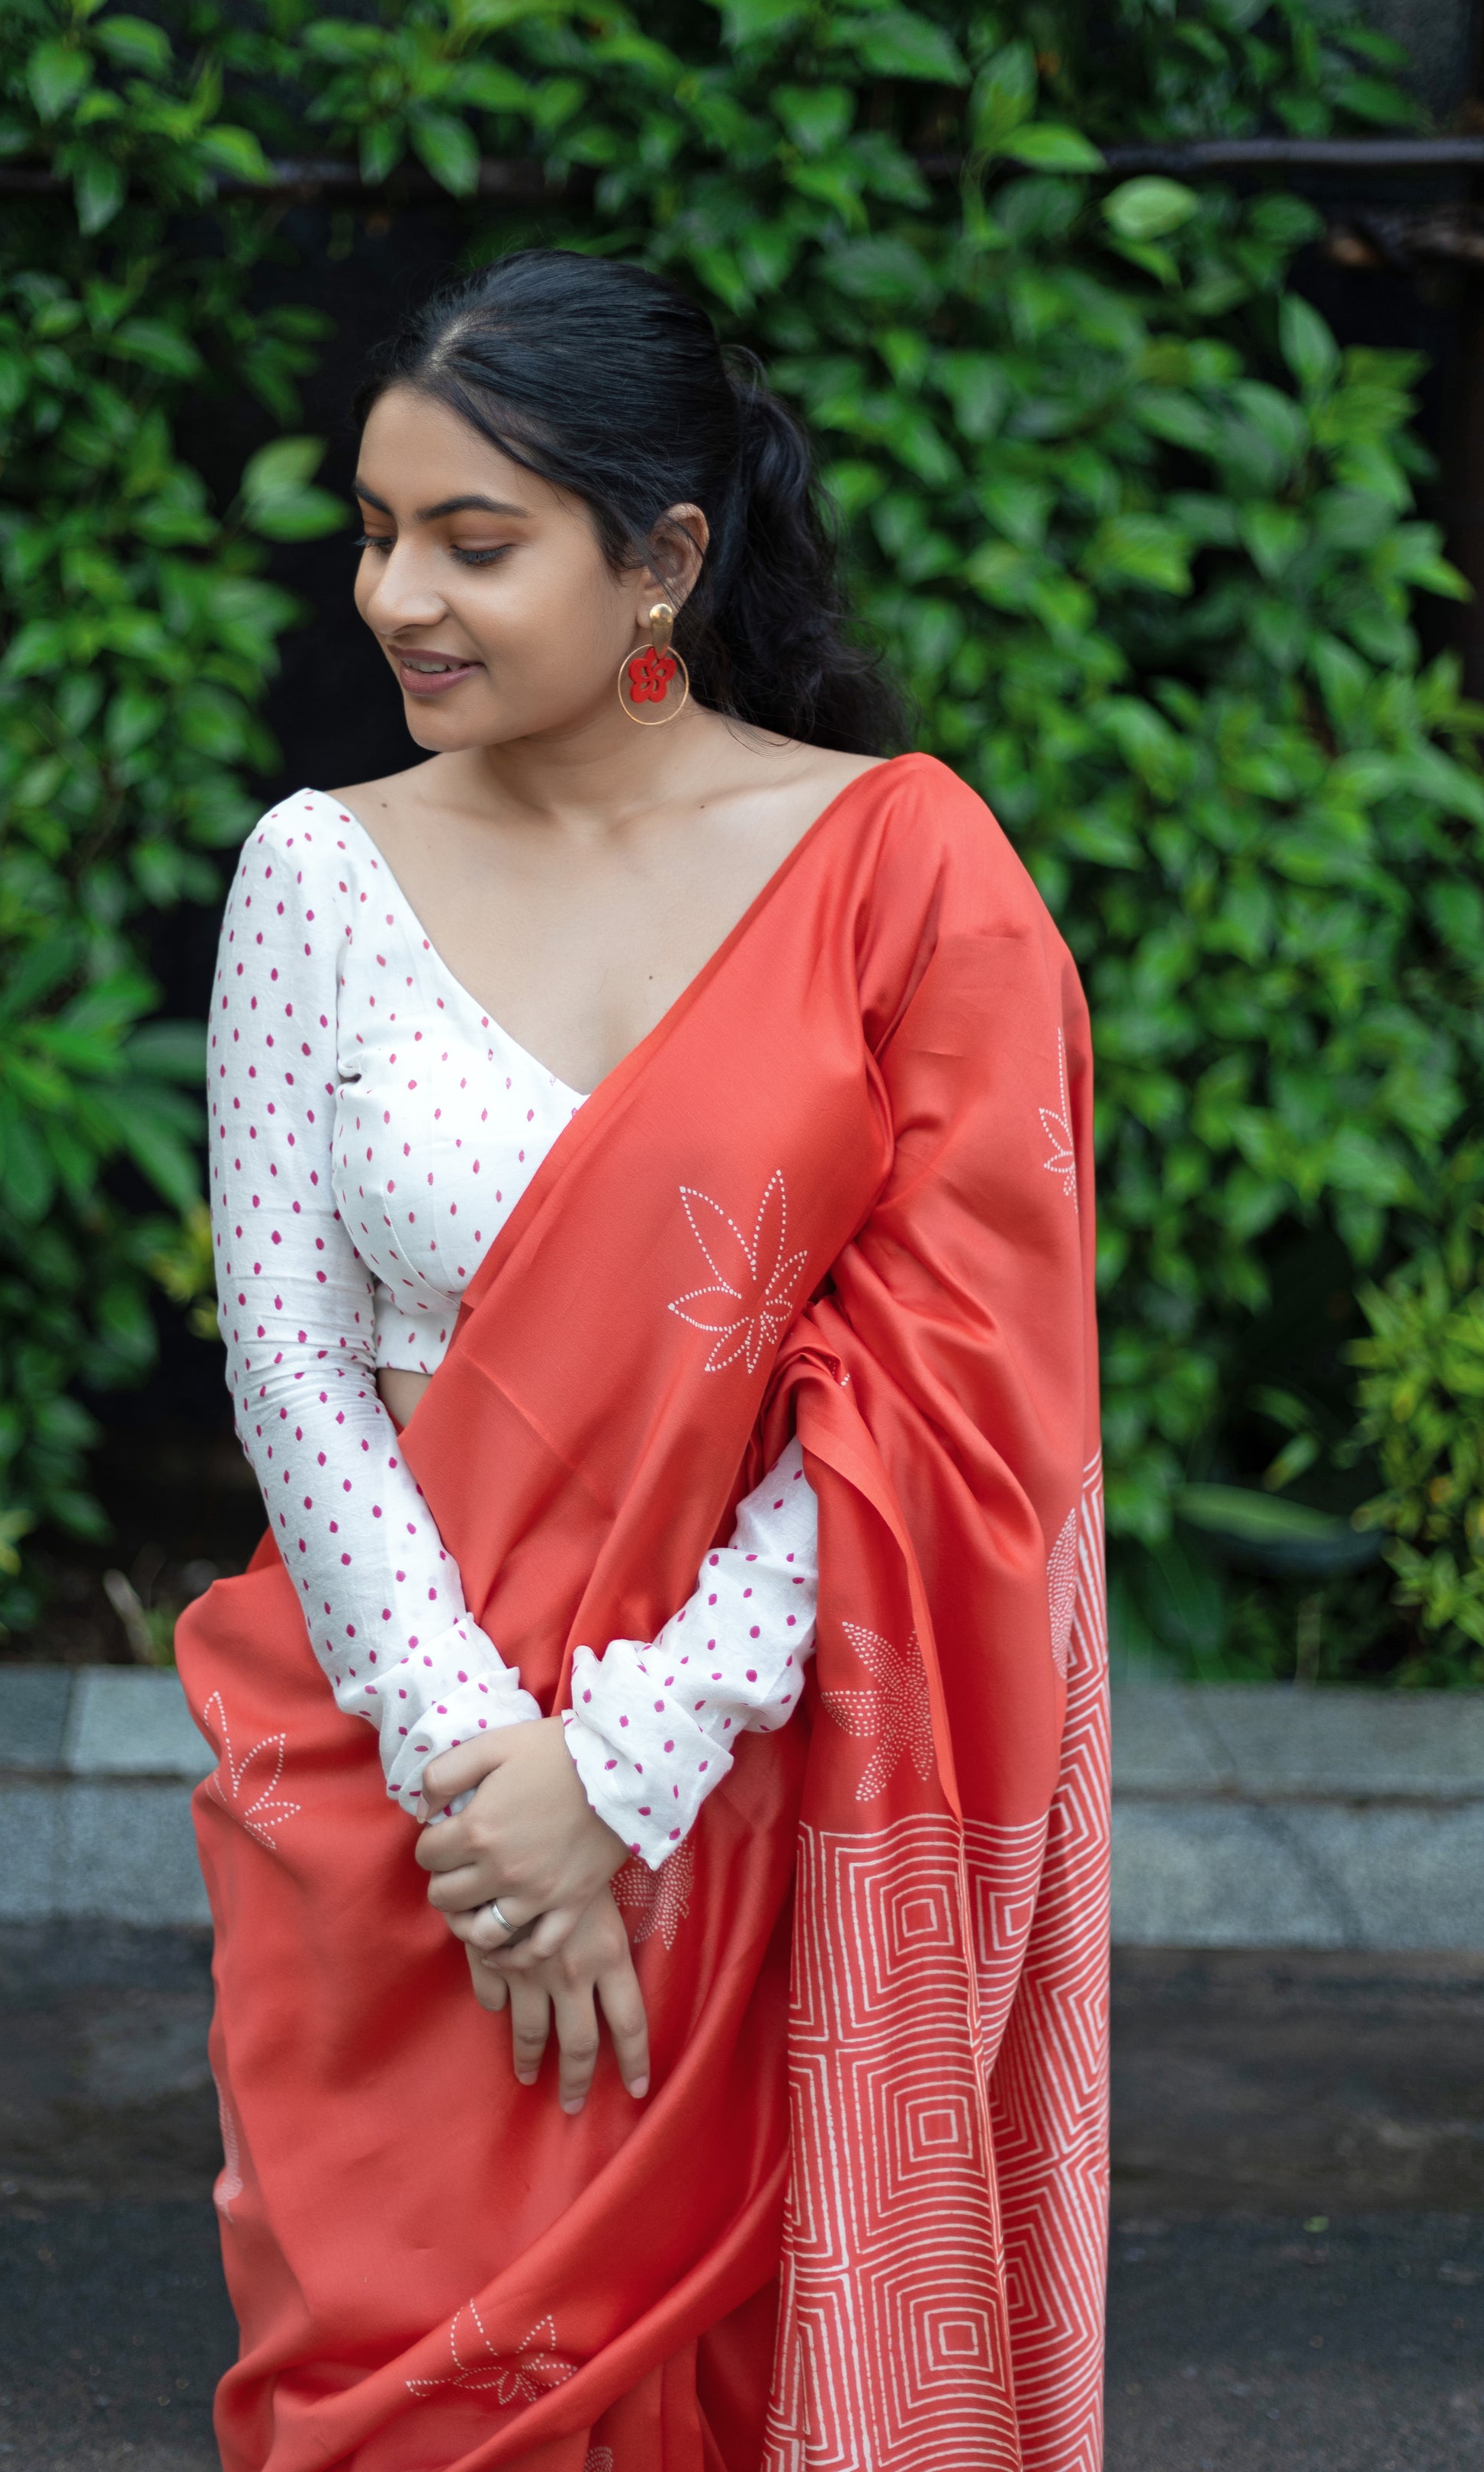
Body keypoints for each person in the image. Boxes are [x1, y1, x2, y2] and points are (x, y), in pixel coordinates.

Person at [178, 247, 1107, 2472]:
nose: (399, 595)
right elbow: (291, 1365)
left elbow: (955, 1397)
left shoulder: (902, 872)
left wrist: (623, 1768)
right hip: (398, 1808)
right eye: (377, 535)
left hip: (757, 1776)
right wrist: (483, 1780)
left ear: (664, 557)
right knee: (389, 2390)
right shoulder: (315, 875)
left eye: (472, 543)